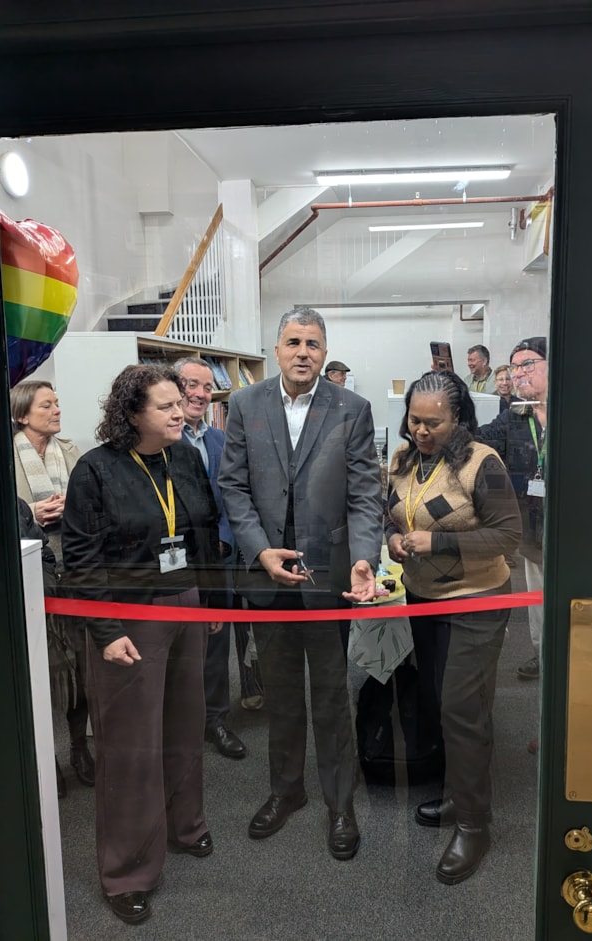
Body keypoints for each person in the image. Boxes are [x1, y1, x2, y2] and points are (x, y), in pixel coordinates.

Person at [219, 306, 382, 861]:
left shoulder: (351, 408)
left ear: (324, 350)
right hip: (268, 577)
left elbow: (365, 493)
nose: (303, 352)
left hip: (329, 576)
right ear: (277, 349)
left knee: (333, 696)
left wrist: (365, 558)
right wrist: (258, 548)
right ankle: (286, 790)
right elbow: (233, 486)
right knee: (282, 694)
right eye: (293, 342)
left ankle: (341, 803)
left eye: (313, 343)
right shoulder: (245, 403)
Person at [61, 363, 220, 925]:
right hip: (129, 619)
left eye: (182, 402)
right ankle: (127, 872)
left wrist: (213, 600)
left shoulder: (186, 457)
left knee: (184, 725)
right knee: (131, 747)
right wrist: (106, 632)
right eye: (166, 406)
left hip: (188, 604)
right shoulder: (95, 469)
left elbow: (203, 532)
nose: (182, 411)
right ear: (132, 414)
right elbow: (81, 559)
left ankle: (185, 826)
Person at [385, 370, 520, 885]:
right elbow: (390, 514)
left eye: (434, 423)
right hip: (423, 599)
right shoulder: (403, 458)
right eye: (414, 421)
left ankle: (474, 825)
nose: (421, 431)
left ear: (458, 418)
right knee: (439, 701)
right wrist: (393, 539)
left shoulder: (483, 463)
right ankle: (458, 794)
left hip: (476, 601)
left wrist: (436, 543)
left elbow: (508, 536)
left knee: (463, 710)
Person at [174, 356, 261, 761]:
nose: (199, 394)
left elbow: (234, 496)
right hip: (174, 563)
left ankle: (216, 720)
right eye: (190, 384)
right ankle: (178, 722)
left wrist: (225, 540)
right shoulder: (160, 440)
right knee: (174, 644)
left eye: (207, 387)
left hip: (219, 560)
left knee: (215, 642)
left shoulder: (220, 441)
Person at [10, 380, 93, 792]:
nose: (57, 409)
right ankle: (48, 758)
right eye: (47, 405)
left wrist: (71, 509)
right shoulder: (8, 458)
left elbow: (93, 505)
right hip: (29, 579)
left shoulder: (73, 452)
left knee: (82, 664)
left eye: (57, 402)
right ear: (22, 415)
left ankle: (80, 747)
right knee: (39, 672)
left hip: (73, 572)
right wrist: (29, 513)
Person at [476, 337, 547, 691]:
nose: (518, 373)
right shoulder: (516, 415)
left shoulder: (579, 412)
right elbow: (482, 437)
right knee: (537, 601)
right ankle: (542, 655)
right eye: (515, 367)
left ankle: (568, 658)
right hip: (532, 528)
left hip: (575, 531)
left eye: (527, 365)